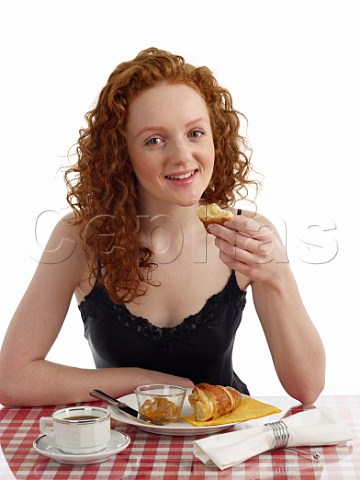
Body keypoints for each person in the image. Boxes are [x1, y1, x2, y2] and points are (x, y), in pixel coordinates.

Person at [0, 48, 325, 407]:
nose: (183, 155)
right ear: (121, 153)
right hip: (118, 450)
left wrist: (277, 277)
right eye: (155, 140)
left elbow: (307, 389)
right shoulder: (81, 237)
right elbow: (12, 377)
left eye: (196, 133)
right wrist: (142, 382)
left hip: (227, 446)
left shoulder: (245, 233)